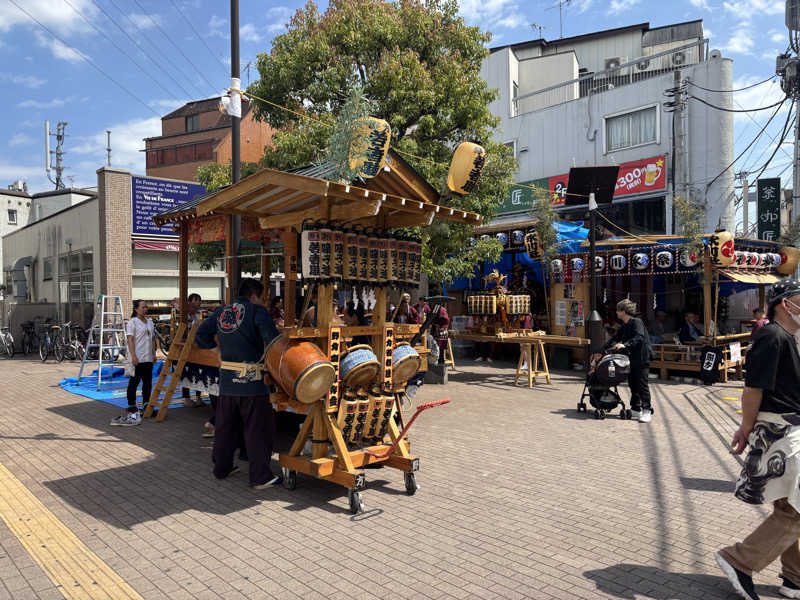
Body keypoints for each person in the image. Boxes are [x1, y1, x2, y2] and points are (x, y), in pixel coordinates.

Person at [715, 279, 800, 600]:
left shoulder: (789, 337)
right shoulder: (772, 335)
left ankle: (794, 578)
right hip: (781, 432)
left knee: (790, 506)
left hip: (789, 431)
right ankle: (739, 560)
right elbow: (753, 389)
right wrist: (745, 428)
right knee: (796, 511)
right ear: (785, 303)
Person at [195, 278, 282, 488]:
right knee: (257, 429)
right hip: (251, 382)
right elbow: (273, 341)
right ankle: (260, 476)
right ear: (254, 296)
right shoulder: (256, 311)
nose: (262, 302)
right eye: (261, 297)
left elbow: (200, 335)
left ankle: (222, 468)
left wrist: (217, 352)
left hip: (227, 381)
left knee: (225, 427)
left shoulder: (221, 312)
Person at [597, 299, 654, 423]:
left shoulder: (636, 322)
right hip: (631, 358)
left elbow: (639, 337)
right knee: (633, 384)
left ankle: (647, 410)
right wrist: (601, 350)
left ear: (623, 311)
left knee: (642, 385)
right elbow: (616, 338)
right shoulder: (625, 325)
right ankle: (635, 408)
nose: (616, 312)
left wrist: (625, 345)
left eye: (618, 310)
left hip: (642, 358)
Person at [111, 300, 155, 426]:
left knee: (148, 382)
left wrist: (153, 354)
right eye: (143, 307)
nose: (145, 309)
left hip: (148, 358)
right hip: (137, 358)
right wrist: (133, 356)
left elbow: (152, 339)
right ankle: (131, 405)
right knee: (134, 382)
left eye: (146, 307)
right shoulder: (132, 322)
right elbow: (130, 340)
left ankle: (146, 404)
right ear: (136, 309)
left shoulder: (150, 322)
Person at [182, 293, 206, 408]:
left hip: (198, 345)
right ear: (189, 302)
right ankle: (186, 398)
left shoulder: (200, 314)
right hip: (188, 345)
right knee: (186, 372)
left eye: (199, 300)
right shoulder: (185, 314)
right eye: (195, 300)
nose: (198, 302)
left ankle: (198, 397)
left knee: (199, 373)